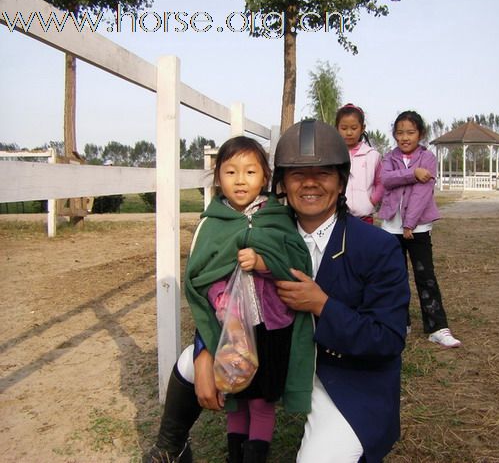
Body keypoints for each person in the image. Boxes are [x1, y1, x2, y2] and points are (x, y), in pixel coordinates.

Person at [144, 136, 315, 463]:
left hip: (272, 328)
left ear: (265, 177)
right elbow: (199, 275)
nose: (240, 180)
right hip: (232, 332)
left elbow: (296, 265)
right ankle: (234, 455)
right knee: (236, 398)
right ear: (217, 177)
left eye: (250, 172)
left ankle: (255, 456)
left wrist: (265, 264)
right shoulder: (211, 224)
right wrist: (222, 298)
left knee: (262, 401)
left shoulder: (277, 217)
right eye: (231, 172)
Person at [272, 119, 410, 463]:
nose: (309, 184)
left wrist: (322, 305)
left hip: (349, 376)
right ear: (282, 184)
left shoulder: (377, 247)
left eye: (324, 173)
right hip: (281, 365)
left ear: (341, 181)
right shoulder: (266, 240)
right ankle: (174, 446)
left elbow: (388, 338)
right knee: (189, 360)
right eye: (296, 174)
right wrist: (203, 354)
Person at [378, 110, 461, 348]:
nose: (405, 137)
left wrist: (409, 224)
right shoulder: (389, 157)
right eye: (400, 132)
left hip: (417, 229)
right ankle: (399, 323)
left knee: (425, 276)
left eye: (411, 132)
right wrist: (412, 173)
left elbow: (421, 194)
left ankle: (437, 327)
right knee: (395, 277)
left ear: (420, 134)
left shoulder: (428, 158)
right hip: (390, 228)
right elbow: (386, 180)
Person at [335, 103, 384, 224]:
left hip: (364, 218)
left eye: (354, 128)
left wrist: (372, 201)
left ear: (362, 128)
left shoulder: (372, 155)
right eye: (344, 128)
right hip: (335, 217)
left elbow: (381, 182)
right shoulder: (331, 155)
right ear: (336, 128)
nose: (349, 133)